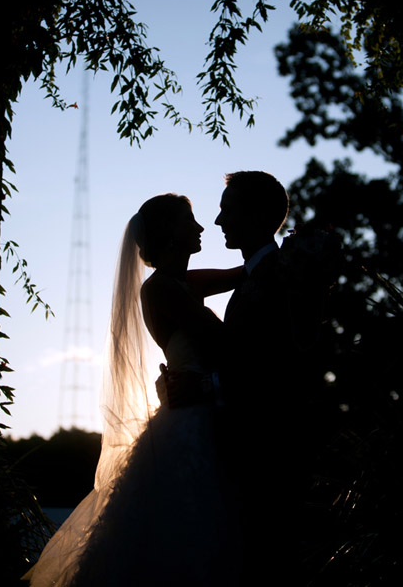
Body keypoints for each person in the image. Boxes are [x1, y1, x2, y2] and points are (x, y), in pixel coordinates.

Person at [25, 193, 244, 587]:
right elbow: (224, 344)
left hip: (205, 406)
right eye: (188, 221)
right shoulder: (162, 288)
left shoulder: (184, 282)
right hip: (189, 420)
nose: (200, 228)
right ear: (168, 234)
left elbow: (243, 274)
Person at [214, 170, 341, 582]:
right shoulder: (258, 276)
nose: (218, 221)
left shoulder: (279, 279)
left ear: (257, 214)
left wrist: (205, 384)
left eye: (226, 210)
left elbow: (278, 368)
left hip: (269, 456)